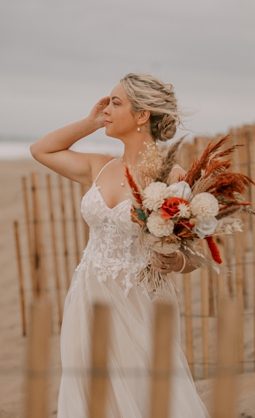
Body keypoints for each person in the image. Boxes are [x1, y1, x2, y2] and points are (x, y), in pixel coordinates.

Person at [30, 73, 210, 417]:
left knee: (143, 393)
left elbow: (196, 256)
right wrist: (90, 122)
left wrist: (175, 264)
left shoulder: (172, 178)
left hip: (138, 299)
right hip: (88, 294)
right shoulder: (99, 167)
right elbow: (41, 149)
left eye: (115, 102)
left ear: (142, 115)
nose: (107, 108)